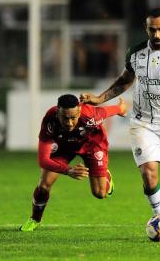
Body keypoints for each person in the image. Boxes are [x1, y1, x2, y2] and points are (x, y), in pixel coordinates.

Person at [80, 8, 160, 226]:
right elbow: (124, 81)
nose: (157, 35)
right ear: (146, 28)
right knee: (149, 174)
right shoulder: (136, 53)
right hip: (144, 124)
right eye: (152, 30)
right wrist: (99, 99)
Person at [19, 94, 127, 231]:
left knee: (100, 193)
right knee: (44, 184)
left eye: (73, 118)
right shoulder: (49, 120)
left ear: (79, 112)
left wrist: (120, 108)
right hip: (64, 146)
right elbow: (43, 160)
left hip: (92, 145)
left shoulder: (90, 115)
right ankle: (35, 219)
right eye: (65, 118)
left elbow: (109, 111)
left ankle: (105, 175)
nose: (70, 123)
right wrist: (68, 170)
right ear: (58, 111)